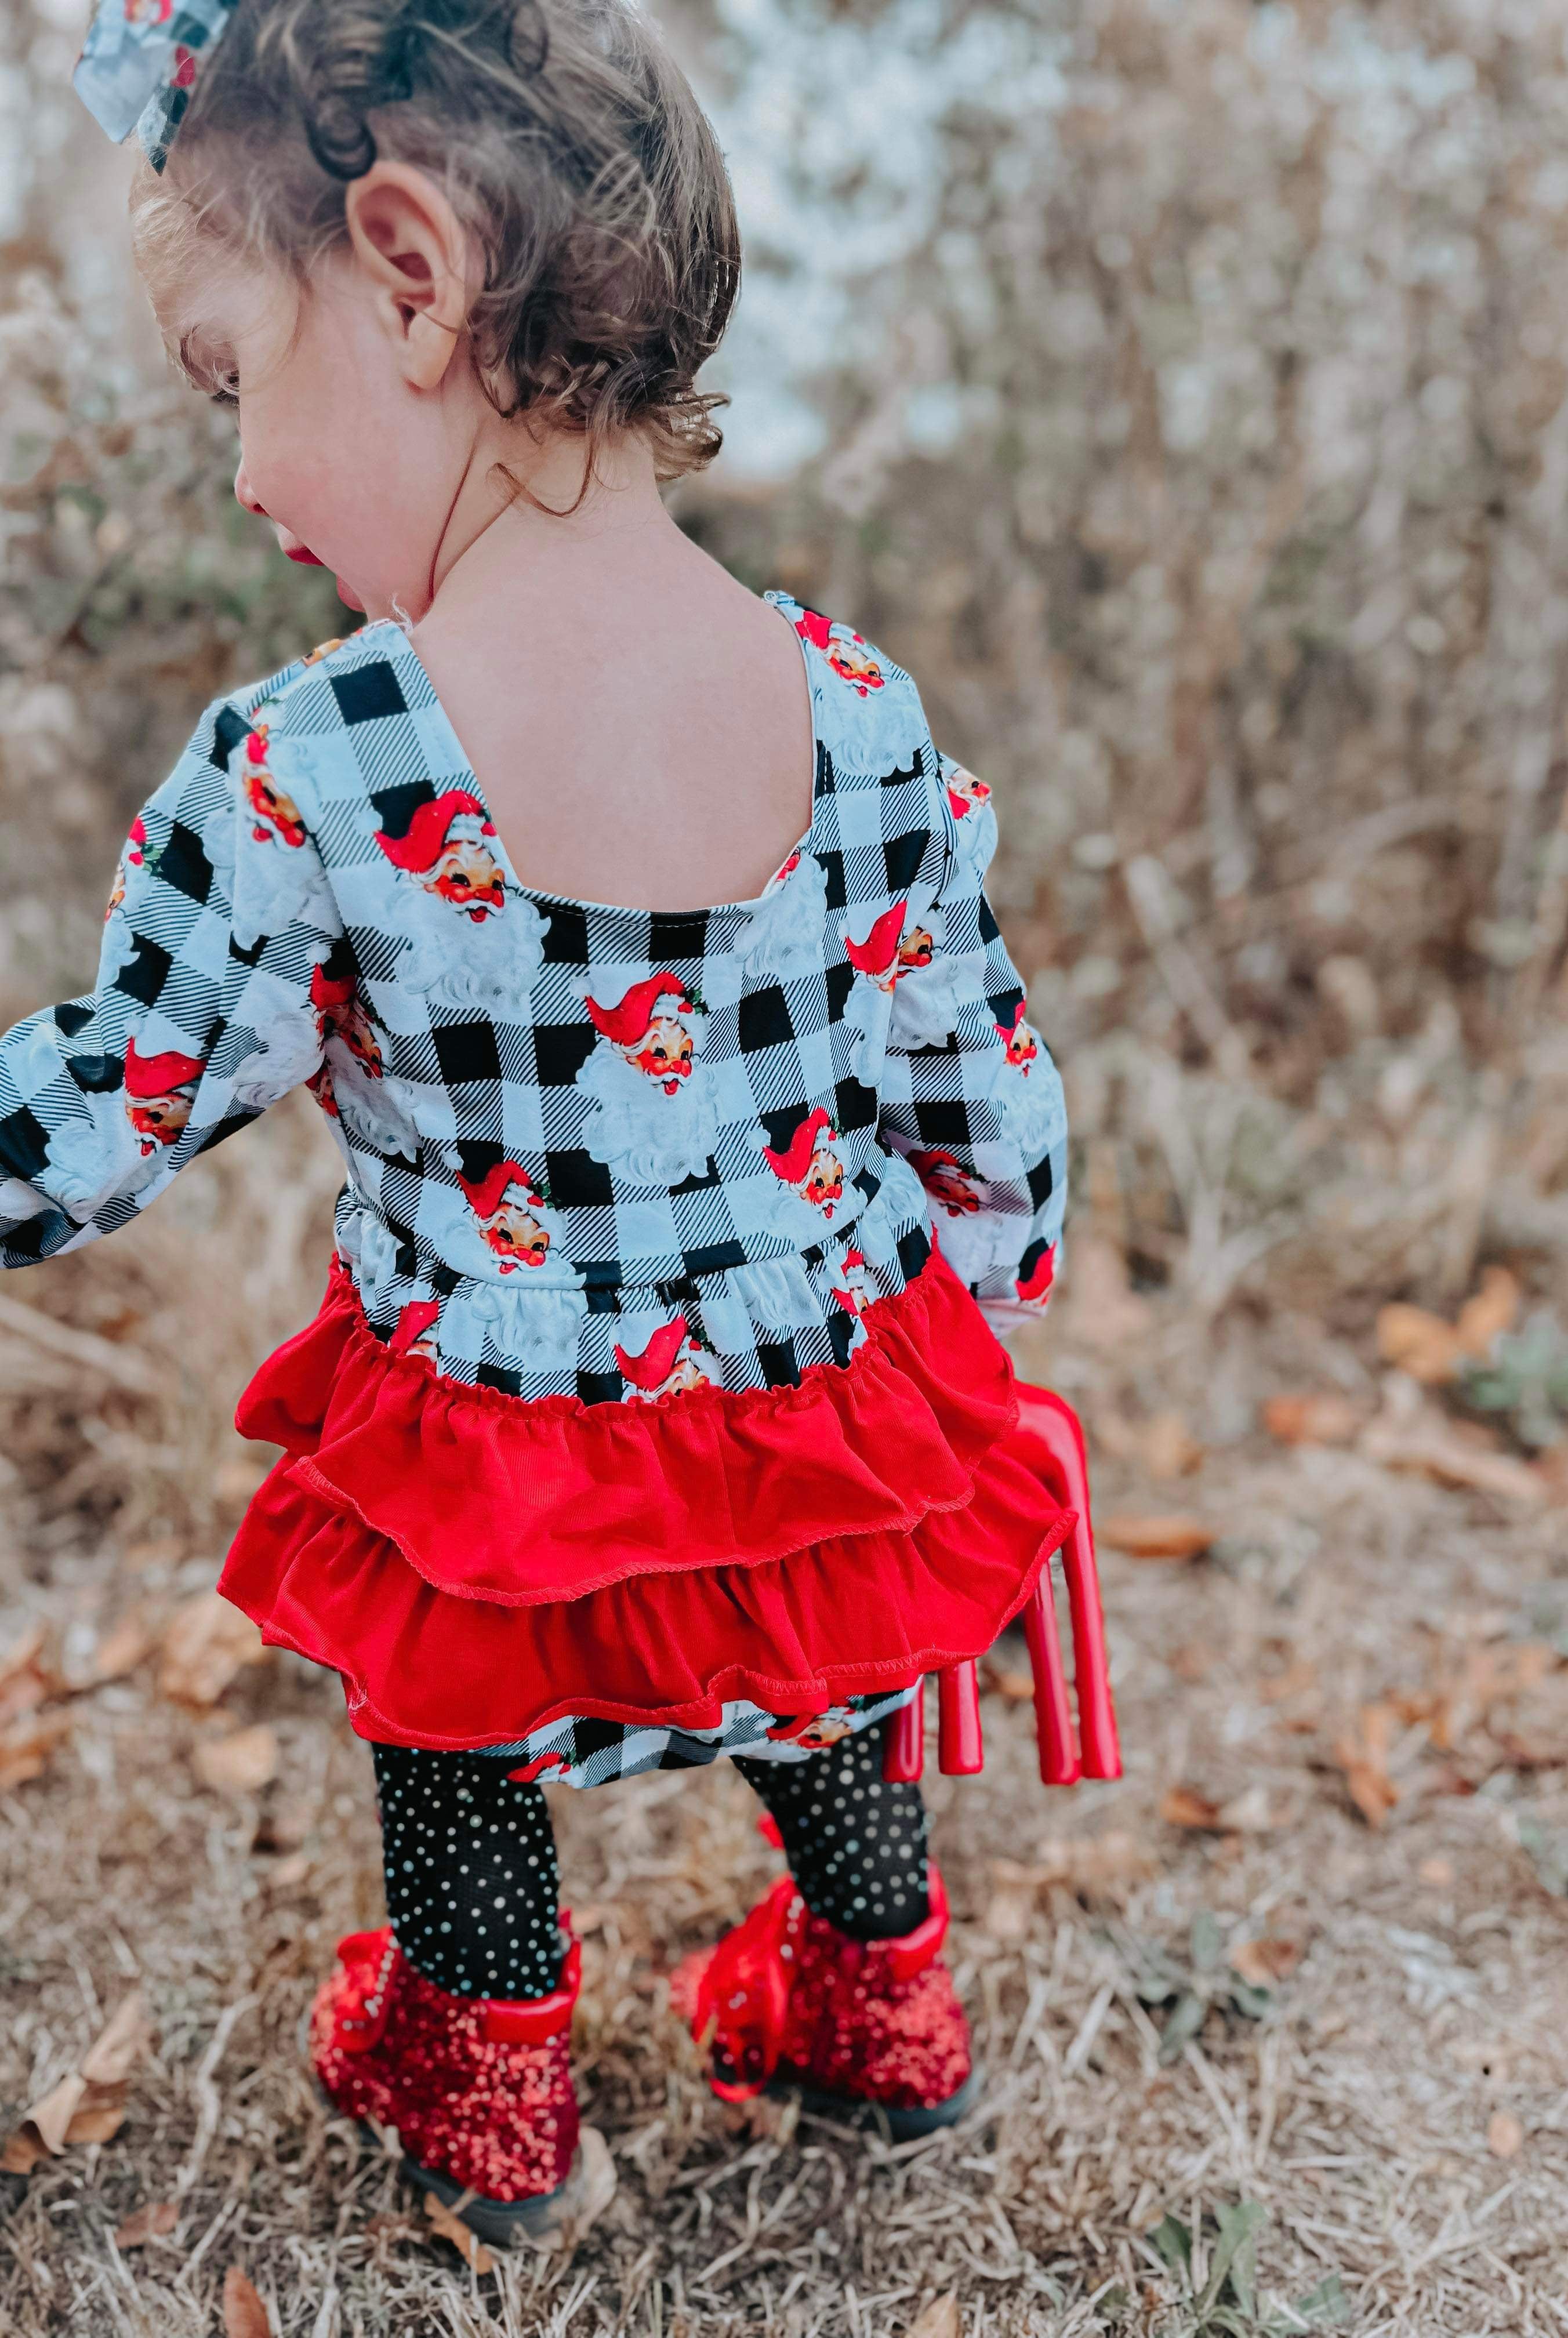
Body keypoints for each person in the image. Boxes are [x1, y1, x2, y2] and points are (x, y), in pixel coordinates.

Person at [13, 0, 1071, 2245]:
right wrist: (959, 1347)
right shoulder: (856, 718)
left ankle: (484, 2077)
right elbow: (989, 1108)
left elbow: (107, 1101)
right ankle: (877, 2006)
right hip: (813, 1429)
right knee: (831, 1621)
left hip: (518, 1459)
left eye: (231, 379)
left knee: (451, 1670)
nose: (240, 479)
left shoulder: (312, 771)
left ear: (407, 274)